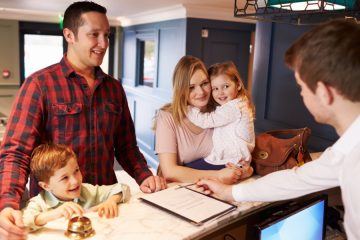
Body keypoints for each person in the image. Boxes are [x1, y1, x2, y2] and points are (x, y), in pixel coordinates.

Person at [0, 1, 165, 239]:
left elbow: (126, 146)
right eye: (94, 35)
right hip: (56, 216)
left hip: (107, 209)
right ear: (69, 35)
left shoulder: (114, 88)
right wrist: (8, 203)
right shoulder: (39, 85)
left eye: (106, 35)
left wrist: (144, 176)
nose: (103, 43)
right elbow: (16, 153)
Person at [197, 19, 360, 240]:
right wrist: (230, 192)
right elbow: (299, 179)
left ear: (323, 92)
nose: (301, 95)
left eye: (301, 87)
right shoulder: (347, 151)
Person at [154, 55, 254, 184]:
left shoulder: (219, 111)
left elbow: (238, 150)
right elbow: (170, 172)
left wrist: (244, 170)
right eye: (191, 87)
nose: (200, 92)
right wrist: (217, 175)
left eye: (204, 83)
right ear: (181, 90)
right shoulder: (168, 117)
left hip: (213, 187)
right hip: (178, 187)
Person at [22, 143, 130, 232]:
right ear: (46, 186)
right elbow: (24, 223)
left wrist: (111, 201)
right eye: (64, 178)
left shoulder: (87, 191)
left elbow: (122, 188)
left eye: (76, 171)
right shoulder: (38, 203)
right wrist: (54, 214)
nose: (75, 181)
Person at [186, 61, 255, 171]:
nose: (220, 93)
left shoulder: (234, 107)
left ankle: (243, 171)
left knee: (188, 170)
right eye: (215, 89)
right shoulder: (240, 103)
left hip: (231, 159)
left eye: (226, 86)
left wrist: (187, 108)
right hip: (234, 158)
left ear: (238, 85)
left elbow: (207, 120)